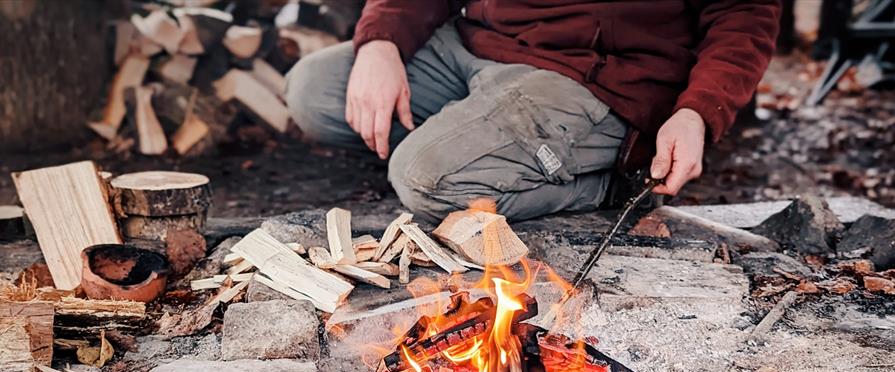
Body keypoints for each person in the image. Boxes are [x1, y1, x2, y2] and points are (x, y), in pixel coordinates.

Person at [286, 1, 780, 222]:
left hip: (595, 77)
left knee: (424, 180)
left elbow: (745, 14)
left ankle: (615, 188)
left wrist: (697, 111)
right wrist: (382, 42)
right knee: (315, 90)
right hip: (475, 44)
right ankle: (481, 146)